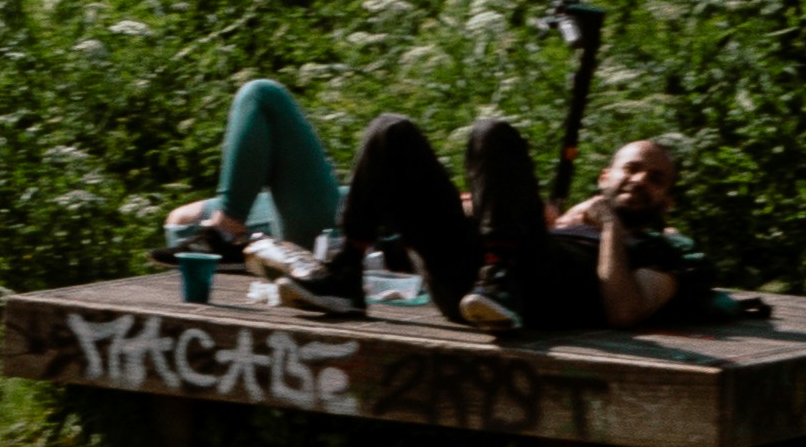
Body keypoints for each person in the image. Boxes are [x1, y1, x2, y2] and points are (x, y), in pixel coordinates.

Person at [179, 79, 732, 340]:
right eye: (631, 169)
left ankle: (501, 284)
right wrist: (483, 210)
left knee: (494, 135)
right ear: (604, 176)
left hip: (533, 295)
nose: (640, 181)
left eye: (656, 179)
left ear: (667, 201)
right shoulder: (557, 220)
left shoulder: (667, 250)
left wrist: (607, 224)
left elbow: (625, 311)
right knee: (393, 132)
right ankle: (344, 275)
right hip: (465, 280)